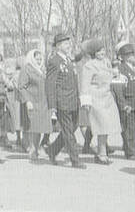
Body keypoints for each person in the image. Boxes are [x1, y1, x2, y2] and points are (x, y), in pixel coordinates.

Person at [45, 32, 85, 169]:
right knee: (68, 131)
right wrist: (52, 106)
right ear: (58, 46)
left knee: (72, 128)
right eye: (66, 44)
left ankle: (52, 150)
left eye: (69, 43)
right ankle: (75, 160)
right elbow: (50, 84)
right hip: (63, 102)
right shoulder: (54, 61)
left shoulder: (68, 60)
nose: (69, 46)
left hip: (73, 101)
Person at [78, 39, 122, 164]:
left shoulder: (106, 63)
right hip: (96, 98)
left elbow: (110, 77)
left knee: (106, 126)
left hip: (107, 97)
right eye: (98, 51)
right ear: (93, 52)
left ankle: (101, 152)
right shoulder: (89, 65)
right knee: (101, 126)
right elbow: (85, 84)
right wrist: (85, 102)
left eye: (102, 49)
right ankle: (101, 153)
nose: (101, 52)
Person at [112, 42, 135, 159]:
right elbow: (117, 89)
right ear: (121, 57)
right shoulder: (119, 69)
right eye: (128, 54)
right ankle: (130, 152)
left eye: (132, 53)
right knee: (129, 130)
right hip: (130, 104)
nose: (132, 56)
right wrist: (123, 105)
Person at [17, 47, 50, 163]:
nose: (39, 61)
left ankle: (35, 148)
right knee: (33, 127)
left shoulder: (43, 70)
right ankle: (32, 149)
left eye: (41, 59)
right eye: (37, 59)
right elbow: (21, 86)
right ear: (31, 59)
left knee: (40, 128)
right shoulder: (26, 69)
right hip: (32, 102)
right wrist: (27, 101)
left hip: (43, 103)